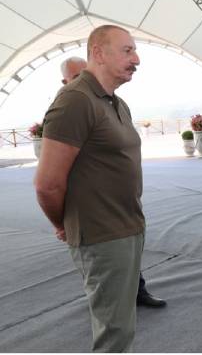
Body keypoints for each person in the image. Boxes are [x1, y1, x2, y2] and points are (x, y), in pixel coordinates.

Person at [34, 25, 147, 352]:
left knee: (122, 327)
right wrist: (63, 224)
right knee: (115, 334)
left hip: (127, 227)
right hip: (102, 236)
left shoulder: (116, 102)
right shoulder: (75, 100)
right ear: (98, 53)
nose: (136, 59)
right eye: (127, 50)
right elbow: (47, 184)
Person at [59, 56, 167, 309]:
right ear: (64, 82)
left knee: (129, 249)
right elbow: (53, 175)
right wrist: (61, 219)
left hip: (121, 200)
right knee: (102, 261)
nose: (84, 80)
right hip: (91, 205)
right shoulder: (66, 110)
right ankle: (106, 303)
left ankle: (137, 291)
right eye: (76, 77)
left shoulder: (113, 104)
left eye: (86, 73)